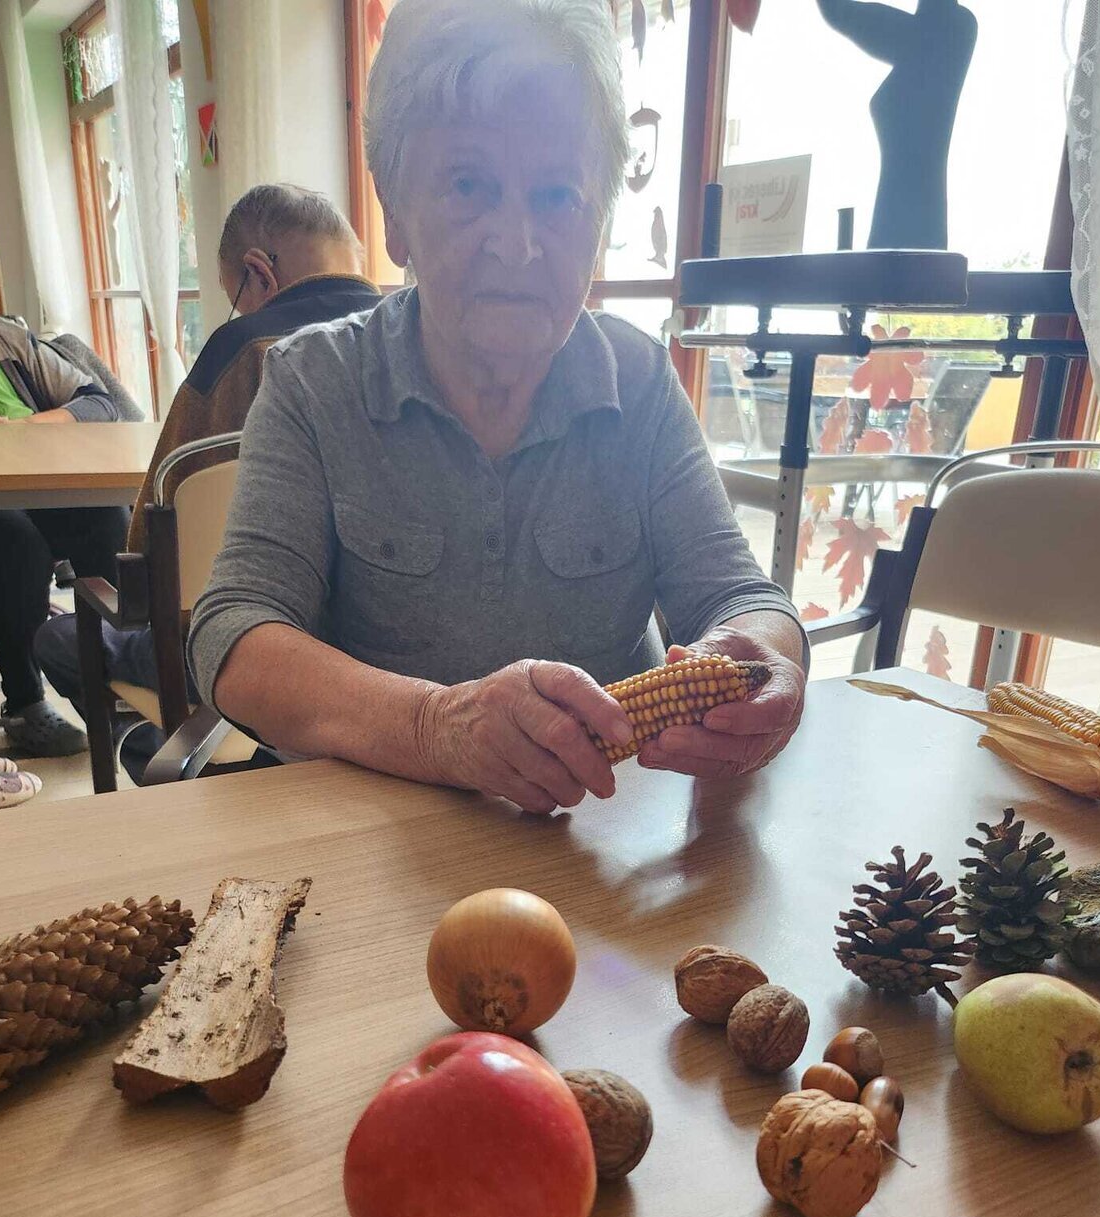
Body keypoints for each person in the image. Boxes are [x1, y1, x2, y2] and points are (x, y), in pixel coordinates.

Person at [189, 0, 807, 814]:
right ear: (395, 214)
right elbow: (236, 633)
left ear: (600, 222)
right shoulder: (313, 381)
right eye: (469, 186)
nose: (517, 245)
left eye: (559, 196)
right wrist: (436, 726)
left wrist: (767, 660)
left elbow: (741, 596)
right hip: (373, 834)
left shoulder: (641, 382)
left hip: (597, 837)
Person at [35, 185, 380, 768]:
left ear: (259, 273)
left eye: (234, 298)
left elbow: (153, 580)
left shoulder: (240, 354)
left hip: (250, 654)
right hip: (386, 657)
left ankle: (172, 757)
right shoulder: (415, 345)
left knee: (59, 636)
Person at [0, 230, 125, 757]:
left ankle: (124, 672)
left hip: (31, 480)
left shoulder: (8, 340)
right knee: (17, 544)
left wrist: (30, 426)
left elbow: (97, 401)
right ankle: (26, 704)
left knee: (106, 517)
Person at [816, 0, 977, 249]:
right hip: (908, 238)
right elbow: (839, 11)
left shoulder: (946, 32)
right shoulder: (940, 35)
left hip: (905, 239)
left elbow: (838, 11)